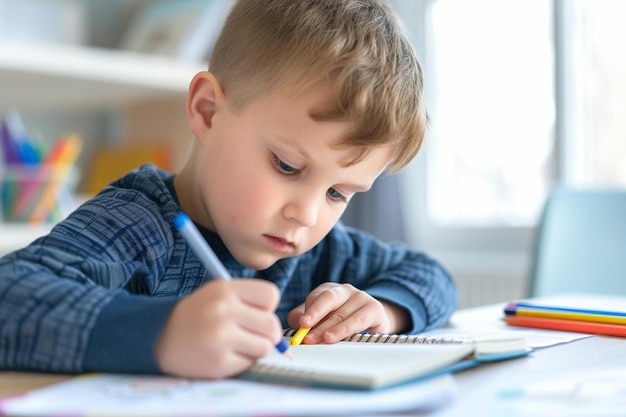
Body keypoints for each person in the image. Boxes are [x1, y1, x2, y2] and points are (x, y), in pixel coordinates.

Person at [0, 0, 457, 380]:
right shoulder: (137, 225)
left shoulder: (313, 251)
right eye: (287, 165)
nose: (307, 214)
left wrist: (385, 311)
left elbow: (429, 275)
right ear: (207, 111)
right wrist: (162, 334)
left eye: (339, 193)